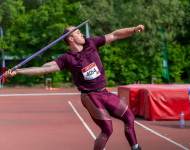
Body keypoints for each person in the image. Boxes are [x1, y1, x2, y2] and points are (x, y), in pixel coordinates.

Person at [4, 24, 145, 150]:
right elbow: (43, 69)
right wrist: (18, 71)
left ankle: (136, 148)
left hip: (104, 92)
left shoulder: (91, 43)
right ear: (70, 38)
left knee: (129, 117)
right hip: (90, 96)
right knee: (107, 129)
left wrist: (133, 30)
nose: (82, 34)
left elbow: (114, 34)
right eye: (78, 32)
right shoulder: (66, 58)